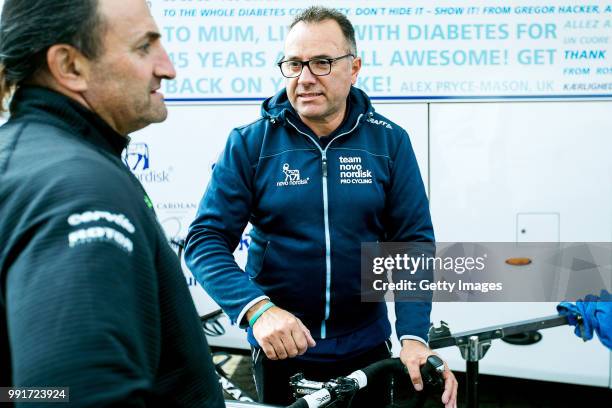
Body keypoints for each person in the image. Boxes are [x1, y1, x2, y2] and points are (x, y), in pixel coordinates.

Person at [185, 6, 457, 408]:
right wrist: (258, 310)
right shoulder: (251, 143)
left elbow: (412, 243)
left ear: (354, 68)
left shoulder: (389, 142)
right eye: (294, 64)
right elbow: (204, 241)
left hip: (367, 348)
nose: (305, 78)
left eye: (322, 63)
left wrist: (414, 337)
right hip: (283, 351)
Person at [0, 1, 225, 406]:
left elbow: (32, 388)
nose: (167, 67)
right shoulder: (77, 187)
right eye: (144, 47)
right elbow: (69, 395)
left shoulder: (31, 160)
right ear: (69, 66)